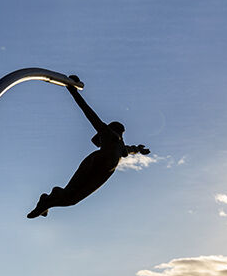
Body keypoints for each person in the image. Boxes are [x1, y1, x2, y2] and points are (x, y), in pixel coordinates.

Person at [28, 78, 150, 218]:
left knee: (72, 199)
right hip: (95, 164)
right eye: (121, 130)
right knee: (70, 196)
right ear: (115, 128)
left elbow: (130, 149)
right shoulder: (108, 133)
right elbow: (88, 112)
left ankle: (47, 201)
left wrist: (139, 149)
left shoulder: (121, 146)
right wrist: (73, 91)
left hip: (104, 172)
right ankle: (47, 201)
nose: (122, 133)